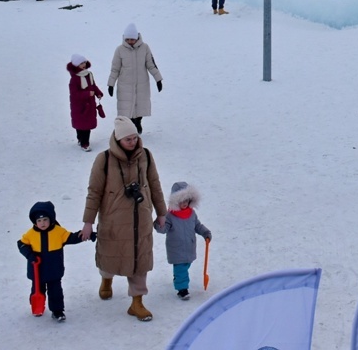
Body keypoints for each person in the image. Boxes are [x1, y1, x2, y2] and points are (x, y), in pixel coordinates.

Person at [81, 116, 166, 322]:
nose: (132, 142)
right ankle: (106, 279)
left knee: (140, 258)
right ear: (118, 139)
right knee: (110, 254)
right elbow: (94, 192)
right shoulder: (104, 159)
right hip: (113, 220)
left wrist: (161, 212)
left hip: (141, 218)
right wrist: (88, 222)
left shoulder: (145, 155)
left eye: (134, 138)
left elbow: (154, 184)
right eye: (128, 139)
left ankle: (137, 302)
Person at [18, 201, 89, 321]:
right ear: (35, 222)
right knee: (37, 290)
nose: (42, 223)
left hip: (53, 269)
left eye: (45, 219)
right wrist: (30, 255)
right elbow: (21, 244)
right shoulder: (30, 234)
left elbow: (71, 238)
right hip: (37, 271)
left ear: (51, 219)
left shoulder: (58, 231)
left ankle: (57, 311)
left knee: (55, 292)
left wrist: (86, 235)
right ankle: (37, 307)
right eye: (39, 221)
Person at [153, 182, 212, 300]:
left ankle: (179, 279)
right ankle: (182, 290)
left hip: (189, 247)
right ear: (175, 202)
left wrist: (205, 232)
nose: (184, 203)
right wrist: (159, 223)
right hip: (176, 249)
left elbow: (197, 225)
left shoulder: (191, 214)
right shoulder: (169, 216)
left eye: (187, 200)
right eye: (181, 201)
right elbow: (163, 229)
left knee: (186, 266)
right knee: (181, 269)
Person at [68, 54, 104, 151]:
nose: (83, 65)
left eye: (84, 62)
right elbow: (74, 94)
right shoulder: (74, 79)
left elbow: (93, 86)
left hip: (90, 105)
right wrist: (88, 93)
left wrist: (98, 93)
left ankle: (85, 142)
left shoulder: (89, 74)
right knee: (80, 125)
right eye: (81, 63)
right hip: (79, 106)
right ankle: (82, 140)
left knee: (87, 125)